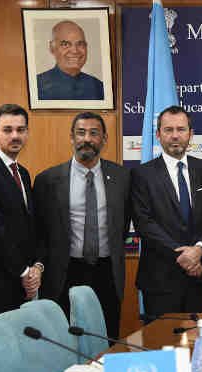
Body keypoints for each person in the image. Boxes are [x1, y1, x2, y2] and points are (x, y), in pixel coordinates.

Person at [33, 112, 130, 339]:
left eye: (94, 133)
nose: (86, 138)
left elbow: (122, 225)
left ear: (104, 139)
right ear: (71, 137)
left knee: (106, 337)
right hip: (64, 272)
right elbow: (40, 231)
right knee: (64, 339)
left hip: (107, 271)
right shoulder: (48, 180)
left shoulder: (122, 177)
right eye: (81, 132)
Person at [130, 105, 202, 318]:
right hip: (160, 280)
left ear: (190, 134)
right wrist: (185, 256)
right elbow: (144, 224)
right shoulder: (142, 174)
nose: (175, 135)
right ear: (158, 135)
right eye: (168, 130)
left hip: (199, 278)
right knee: (162, 346)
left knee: (198, 344)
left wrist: (200, 250)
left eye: (181, 129)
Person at [0, 104, 42, 315]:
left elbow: (30, 226)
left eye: (21, 130)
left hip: (26, 281)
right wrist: (23, 272)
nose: (15, 136)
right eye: (7, 129)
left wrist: (36, 268)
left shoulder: (23, 172)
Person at [37, 20, 104, 100]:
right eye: (65, 44)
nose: (75, 51)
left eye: (80, 44)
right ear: (52, 48)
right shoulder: (38, 85)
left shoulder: (98, 87)